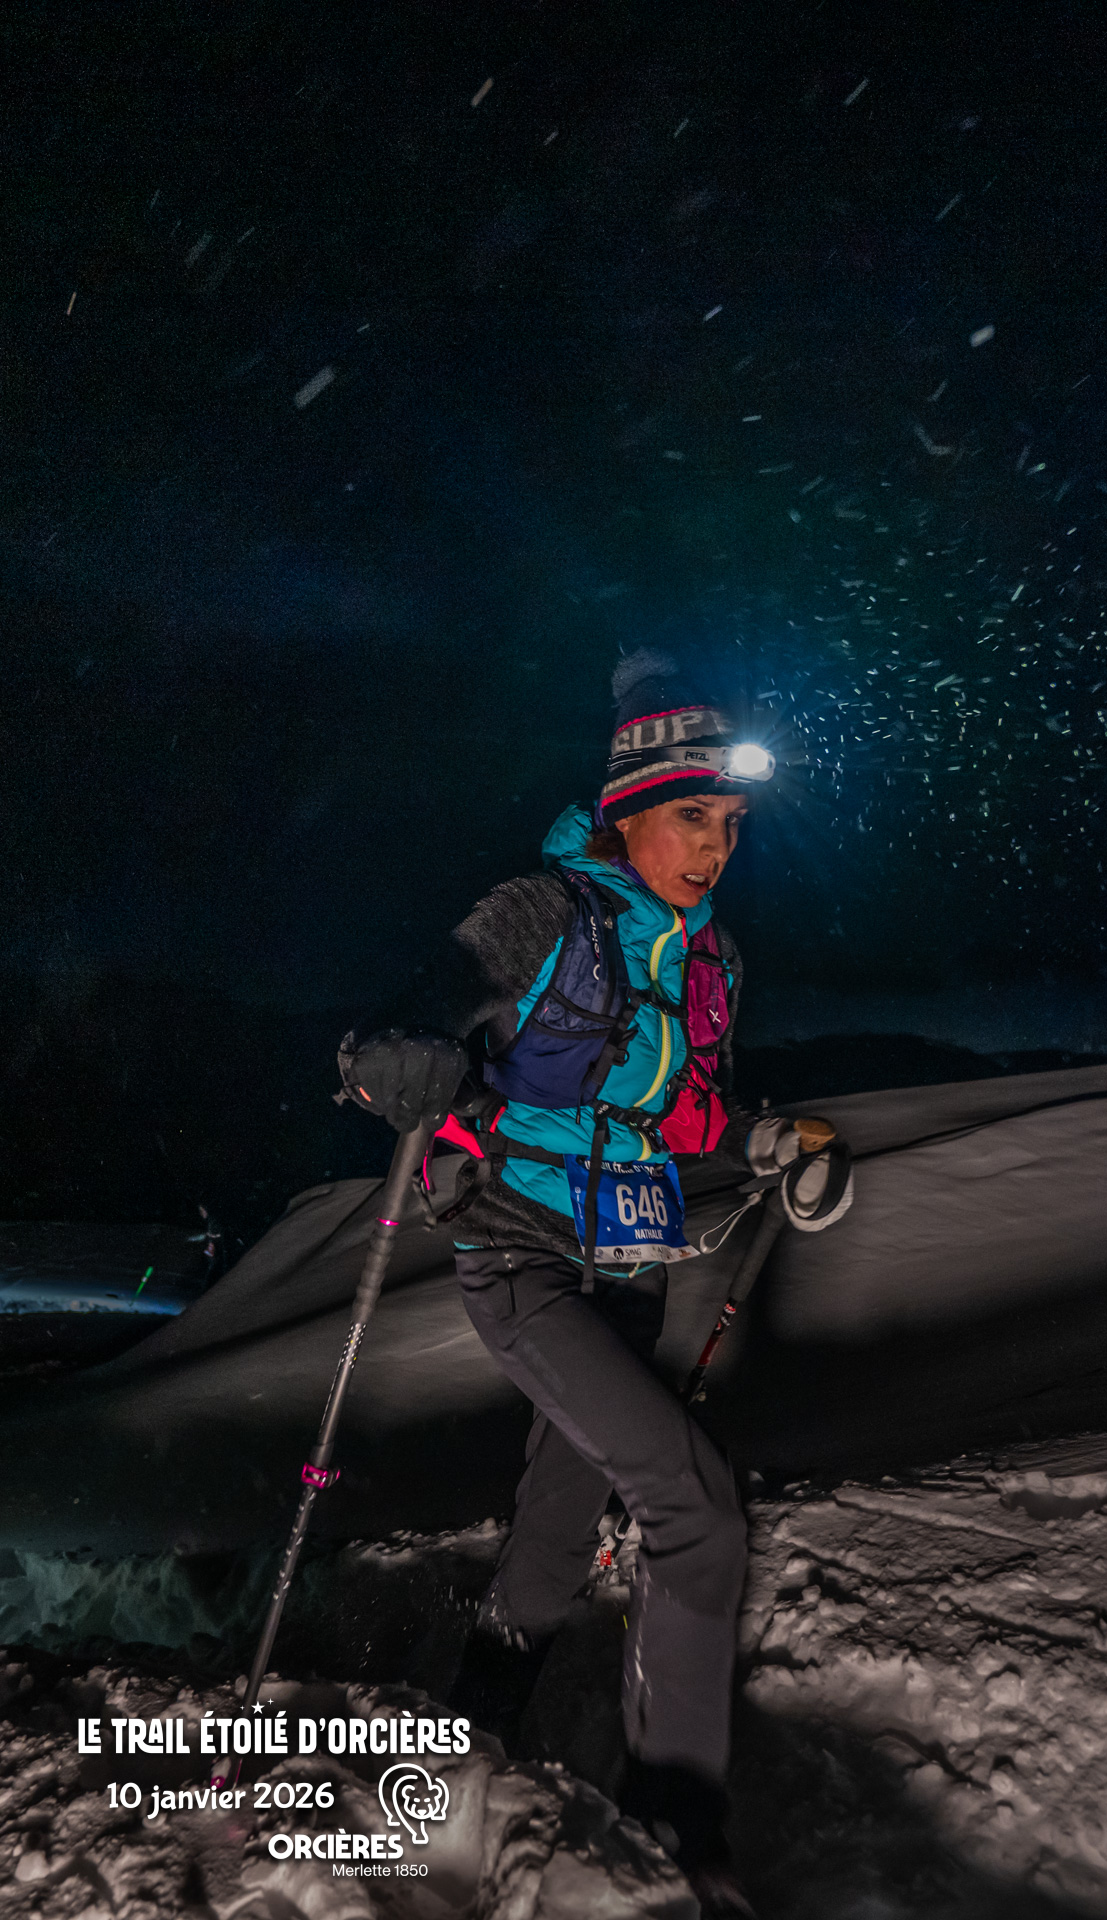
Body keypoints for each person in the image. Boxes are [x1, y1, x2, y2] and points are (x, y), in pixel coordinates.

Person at [339, 649, 784, 1917]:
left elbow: (689, 1114)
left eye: (731, 823)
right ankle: (675, 1828)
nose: (715, 848)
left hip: (630, 1266)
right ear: (627, 811)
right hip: (520, 1252)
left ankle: (472, 1726)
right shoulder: (539, 914)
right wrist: (392, 1058)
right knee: (694, 1509)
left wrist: (764, 1140)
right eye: (692, 817)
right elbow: (408, 1015)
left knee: (555, 1520)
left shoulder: (710, 957)